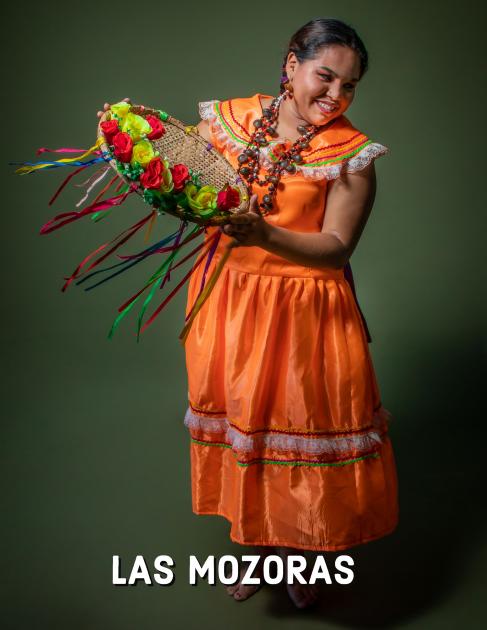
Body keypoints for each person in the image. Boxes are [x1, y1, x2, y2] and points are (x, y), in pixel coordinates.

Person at [98, 17, 399, 610]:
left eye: (349, 86)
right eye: (325, 76)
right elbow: (188, 178)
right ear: (291, 64)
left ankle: (304, 556)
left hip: (306, 309)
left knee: (299, 427)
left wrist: (263, 233)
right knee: (246, 426)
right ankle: (259, 546)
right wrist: (140, 153)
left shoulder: (353, 156)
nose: (335, 95)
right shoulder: (229, 122)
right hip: (229, 299)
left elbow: (336, 248)